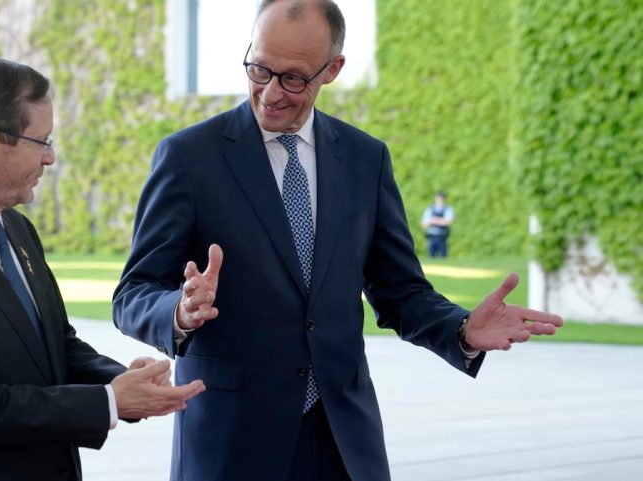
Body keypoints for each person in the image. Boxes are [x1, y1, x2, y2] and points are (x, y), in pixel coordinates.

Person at [112, 1, 563, 480]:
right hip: (233, 442)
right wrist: (179, 313)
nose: (270, 93)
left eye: (293, 78)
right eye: (259, 68)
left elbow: (400, 291)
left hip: (344, 442)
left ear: (332, 70)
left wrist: (462, 329)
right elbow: (133, 294)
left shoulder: (366, 159)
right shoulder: (187, 157)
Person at [0, 55, 205, 481]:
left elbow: (56, 347)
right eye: (40, 142)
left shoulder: (17, 230)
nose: (50, 158)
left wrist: (124, 383)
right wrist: (108, 402)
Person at [421, 190, 454, 257]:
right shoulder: (430, 209)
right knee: (431, 256)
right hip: (432, 236)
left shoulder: (448, 209)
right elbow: (424, 223)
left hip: (442, 236)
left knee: (443, 256)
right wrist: (440, 221)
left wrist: (434, 220)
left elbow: (448, 221)